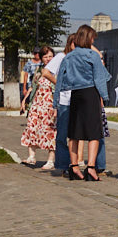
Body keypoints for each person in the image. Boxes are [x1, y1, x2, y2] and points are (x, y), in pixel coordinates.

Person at [55, 25, 110, 181]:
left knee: (74, 132)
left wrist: (55, 101)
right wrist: (104, 97)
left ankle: (73, 167)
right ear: (88, 39)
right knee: (94, 133)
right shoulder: (92, 56)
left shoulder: (69, 56)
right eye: (92, 38)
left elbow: (59, 80)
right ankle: (91, 168)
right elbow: (101, 77)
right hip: (90, 94)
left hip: (75, 95)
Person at [19, 47, 57, 167]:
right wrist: (25, 100)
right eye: (45, 57)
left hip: (50, 105)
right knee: (32, 127)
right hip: (37, 104)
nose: (48, 59)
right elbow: (33, 86)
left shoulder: (57, 70)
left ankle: (50, 160)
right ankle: (31, 156)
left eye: (50, 56)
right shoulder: (39, 70)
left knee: (50, 130)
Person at [43, 34, 75, 173]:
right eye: (75, 44)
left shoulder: (80, 57)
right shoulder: (62, 57)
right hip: (64, 100)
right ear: (70, 44)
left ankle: (74, 163)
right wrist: (59, 84)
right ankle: (63, 164)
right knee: (62, 134)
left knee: (75, 134)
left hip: (78, 99)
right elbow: (46, 72)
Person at [21, 48, 41, 115]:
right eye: (35, 53)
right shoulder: (29, 63)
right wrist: (24, 88)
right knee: (32, 100)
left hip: (40, 84)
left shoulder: (42, 63)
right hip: (31, 84)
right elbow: (25, 75)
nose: (37, 55)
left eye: (38, 53)